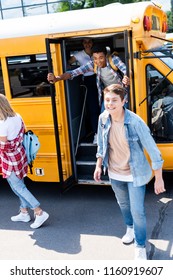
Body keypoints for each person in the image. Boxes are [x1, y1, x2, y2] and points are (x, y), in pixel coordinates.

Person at [93, 84, 165, 260]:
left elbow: (154, 151)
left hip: (134, 173)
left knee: (138, 210)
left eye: (114, 100)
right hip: (114, 172)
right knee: (123, 205)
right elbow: (102, 145)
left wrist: (159, 178)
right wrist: (98, 164)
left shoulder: (135, 122)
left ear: (124, 101)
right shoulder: (103, 118)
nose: (109, 104)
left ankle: (140, 246)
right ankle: (130, 228)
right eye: (107, 100)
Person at [47, 44, 130, 143]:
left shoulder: (113, 60)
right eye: (95, 58)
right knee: (103, 120)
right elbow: (73, 72)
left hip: (121, 94)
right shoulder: (93, 64)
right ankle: (106, 143)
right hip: (109, 95)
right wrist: (57, 78)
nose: (98, 61)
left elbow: (126, 70)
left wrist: (126, 77)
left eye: (101, 58)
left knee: (123, 120)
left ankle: (124, 142)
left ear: (106, 56)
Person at [0, 94, 49, 229]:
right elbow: (23, 132)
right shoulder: (17, 116)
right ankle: (24, 212)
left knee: (18, 187)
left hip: (10, 160)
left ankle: (39, 212)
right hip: (20, 156)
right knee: (19, 185)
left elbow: (2, 146)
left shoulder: (2, 124)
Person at [68, 38, 100, 144]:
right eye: (85, 42)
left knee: (103, 107)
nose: (87, 44)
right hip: (89, 81)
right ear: (82, 43)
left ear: (92, 43)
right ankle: (96, 134)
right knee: (93, 108)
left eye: (89, 41)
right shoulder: (79, 55)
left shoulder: (96, 52)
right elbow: (68, 62)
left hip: (100, 78)